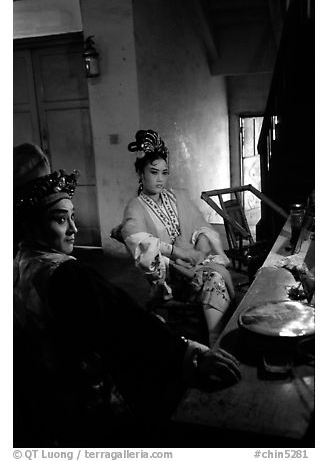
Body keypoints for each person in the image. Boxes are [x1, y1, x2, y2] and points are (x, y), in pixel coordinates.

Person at [13, 143, 241, 447]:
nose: (75, 230)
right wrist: (189, 355)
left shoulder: (21, 261)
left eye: (72, 217)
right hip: (84, 404)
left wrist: (197, 248)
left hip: (46, 402)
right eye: (60, 219)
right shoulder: (66, 274)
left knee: (211, 275)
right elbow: (125, 325)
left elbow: (97, 317)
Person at [121, 130, 235, 347]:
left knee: (213, 275)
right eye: (154, 172)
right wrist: (178, 253)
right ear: (141, 173)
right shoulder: (135, 207)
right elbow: (140, 241)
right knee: (215, 279)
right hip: (169, 276)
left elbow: (200, 224)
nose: (160, 179)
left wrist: (200, 247)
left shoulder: (177, 196)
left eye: (165, 173)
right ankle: (216, 341)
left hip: (195, 264)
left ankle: (216, 337)